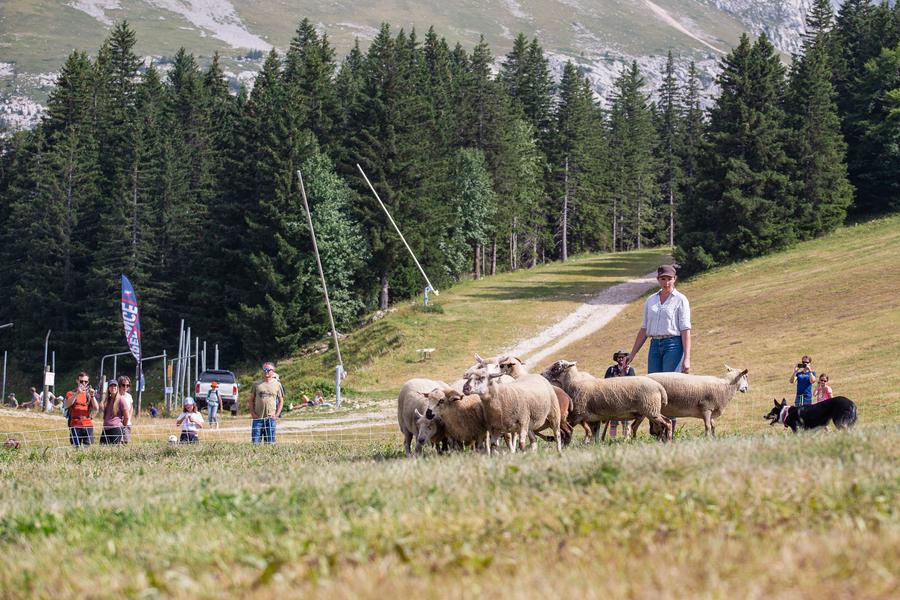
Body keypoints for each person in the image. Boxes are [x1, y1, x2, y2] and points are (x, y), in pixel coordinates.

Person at [626, 264, 691, 434]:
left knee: (670, 387)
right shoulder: (651, 300)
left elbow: (685, 329)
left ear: (674, 279)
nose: (666, 282)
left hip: (673, 344)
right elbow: (644, 329)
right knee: (651, 386)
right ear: (658, 280)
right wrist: (632, 354)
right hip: (655, 344)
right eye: (663, 278)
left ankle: (669, 430)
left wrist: (687, 357)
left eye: (669, 278)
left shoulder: (680, 299)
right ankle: (655, 429)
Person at [249, 362, 283, 444]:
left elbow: (281, 400)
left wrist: (277, 414)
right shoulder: (256, 384)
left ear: (273, 371)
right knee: (255, 443)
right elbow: (251, 400)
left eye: (268, 370)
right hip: (258, 418)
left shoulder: (277, 384)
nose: (266, 371)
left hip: (271, 418)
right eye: (264, 370)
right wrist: (253, 414)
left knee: (270, 443)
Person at [604, 350, 636, 438]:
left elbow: (633, 383)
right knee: (613, 421)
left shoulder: (630, 370)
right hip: (613, 399)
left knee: (626, 420)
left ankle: (627, 438)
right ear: (616, 359)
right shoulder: (611, 369)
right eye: (619, 357)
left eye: (623, 357)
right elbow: (605, 382)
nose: (621, 359)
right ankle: (612, 438)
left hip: (626, 399)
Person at [64, 372, 98, 447]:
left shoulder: (89, 394)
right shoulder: (71, 393)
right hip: (75, 424)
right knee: (76, 448)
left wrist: (92, 396)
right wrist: (77, 393)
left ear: (88, 382)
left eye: (86, 381)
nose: (83, 383)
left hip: (88, 424)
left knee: (87, 448)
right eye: (81, 381)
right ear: (77, 381)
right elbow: (67, 405)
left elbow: (96, 408)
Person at [99, 380, 127, 445]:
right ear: (108, 388)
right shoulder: (106, 400)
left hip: (116, 429)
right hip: (106, 428)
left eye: (115, 386)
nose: (113, 387)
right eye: (111, 386)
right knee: (102, 449)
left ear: (117, 388)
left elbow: (126, 416)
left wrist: (122, 427)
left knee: (114, 450)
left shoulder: (121, 399)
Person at [117, 376, 134, 444]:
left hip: (128, 424)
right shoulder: (116, 396)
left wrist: (129, 418)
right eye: (123, 385)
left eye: (128, 385)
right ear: (119, 385)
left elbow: (131, 407)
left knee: (126, 442)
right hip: (118, 424)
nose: (125, 387)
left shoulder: (129, 396)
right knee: (118, 443)